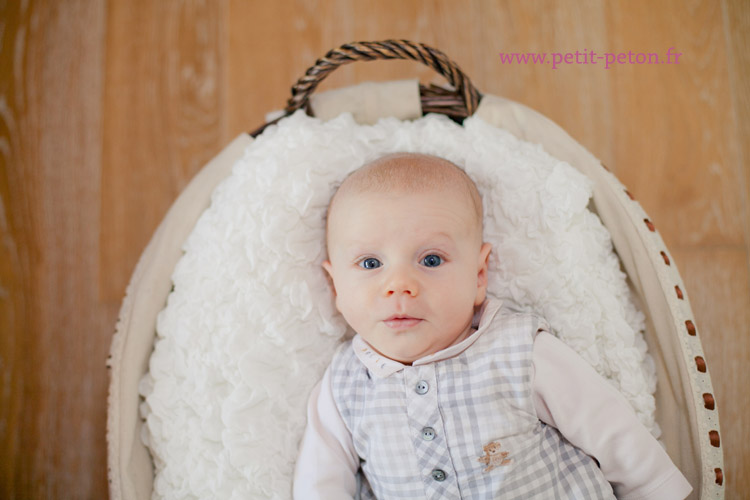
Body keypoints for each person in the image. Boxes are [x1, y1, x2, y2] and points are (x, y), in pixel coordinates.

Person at [293, 152, 692, 499]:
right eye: (370, 263)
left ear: (479, 275)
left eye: (431, 260)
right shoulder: (344, 386)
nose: (400, 285)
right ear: (335, 287)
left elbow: (606, 425)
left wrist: (656, 490)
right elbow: (320, 483)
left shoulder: (518, 349)